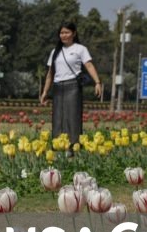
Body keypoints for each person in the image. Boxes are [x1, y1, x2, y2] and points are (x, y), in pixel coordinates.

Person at [40, 22, 102, 151]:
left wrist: (97, 82)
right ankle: (58, 146)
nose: (64, 35)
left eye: (67, 32)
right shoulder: (55, 52)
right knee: (58, 117)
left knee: (72, 117)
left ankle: (74, 146)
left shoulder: (80, 49)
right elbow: (50, 73)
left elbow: (89, 65)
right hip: (58, 87)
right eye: (61, 33)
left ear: (74, 33)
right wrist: (45, 91)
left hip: (73, 86)